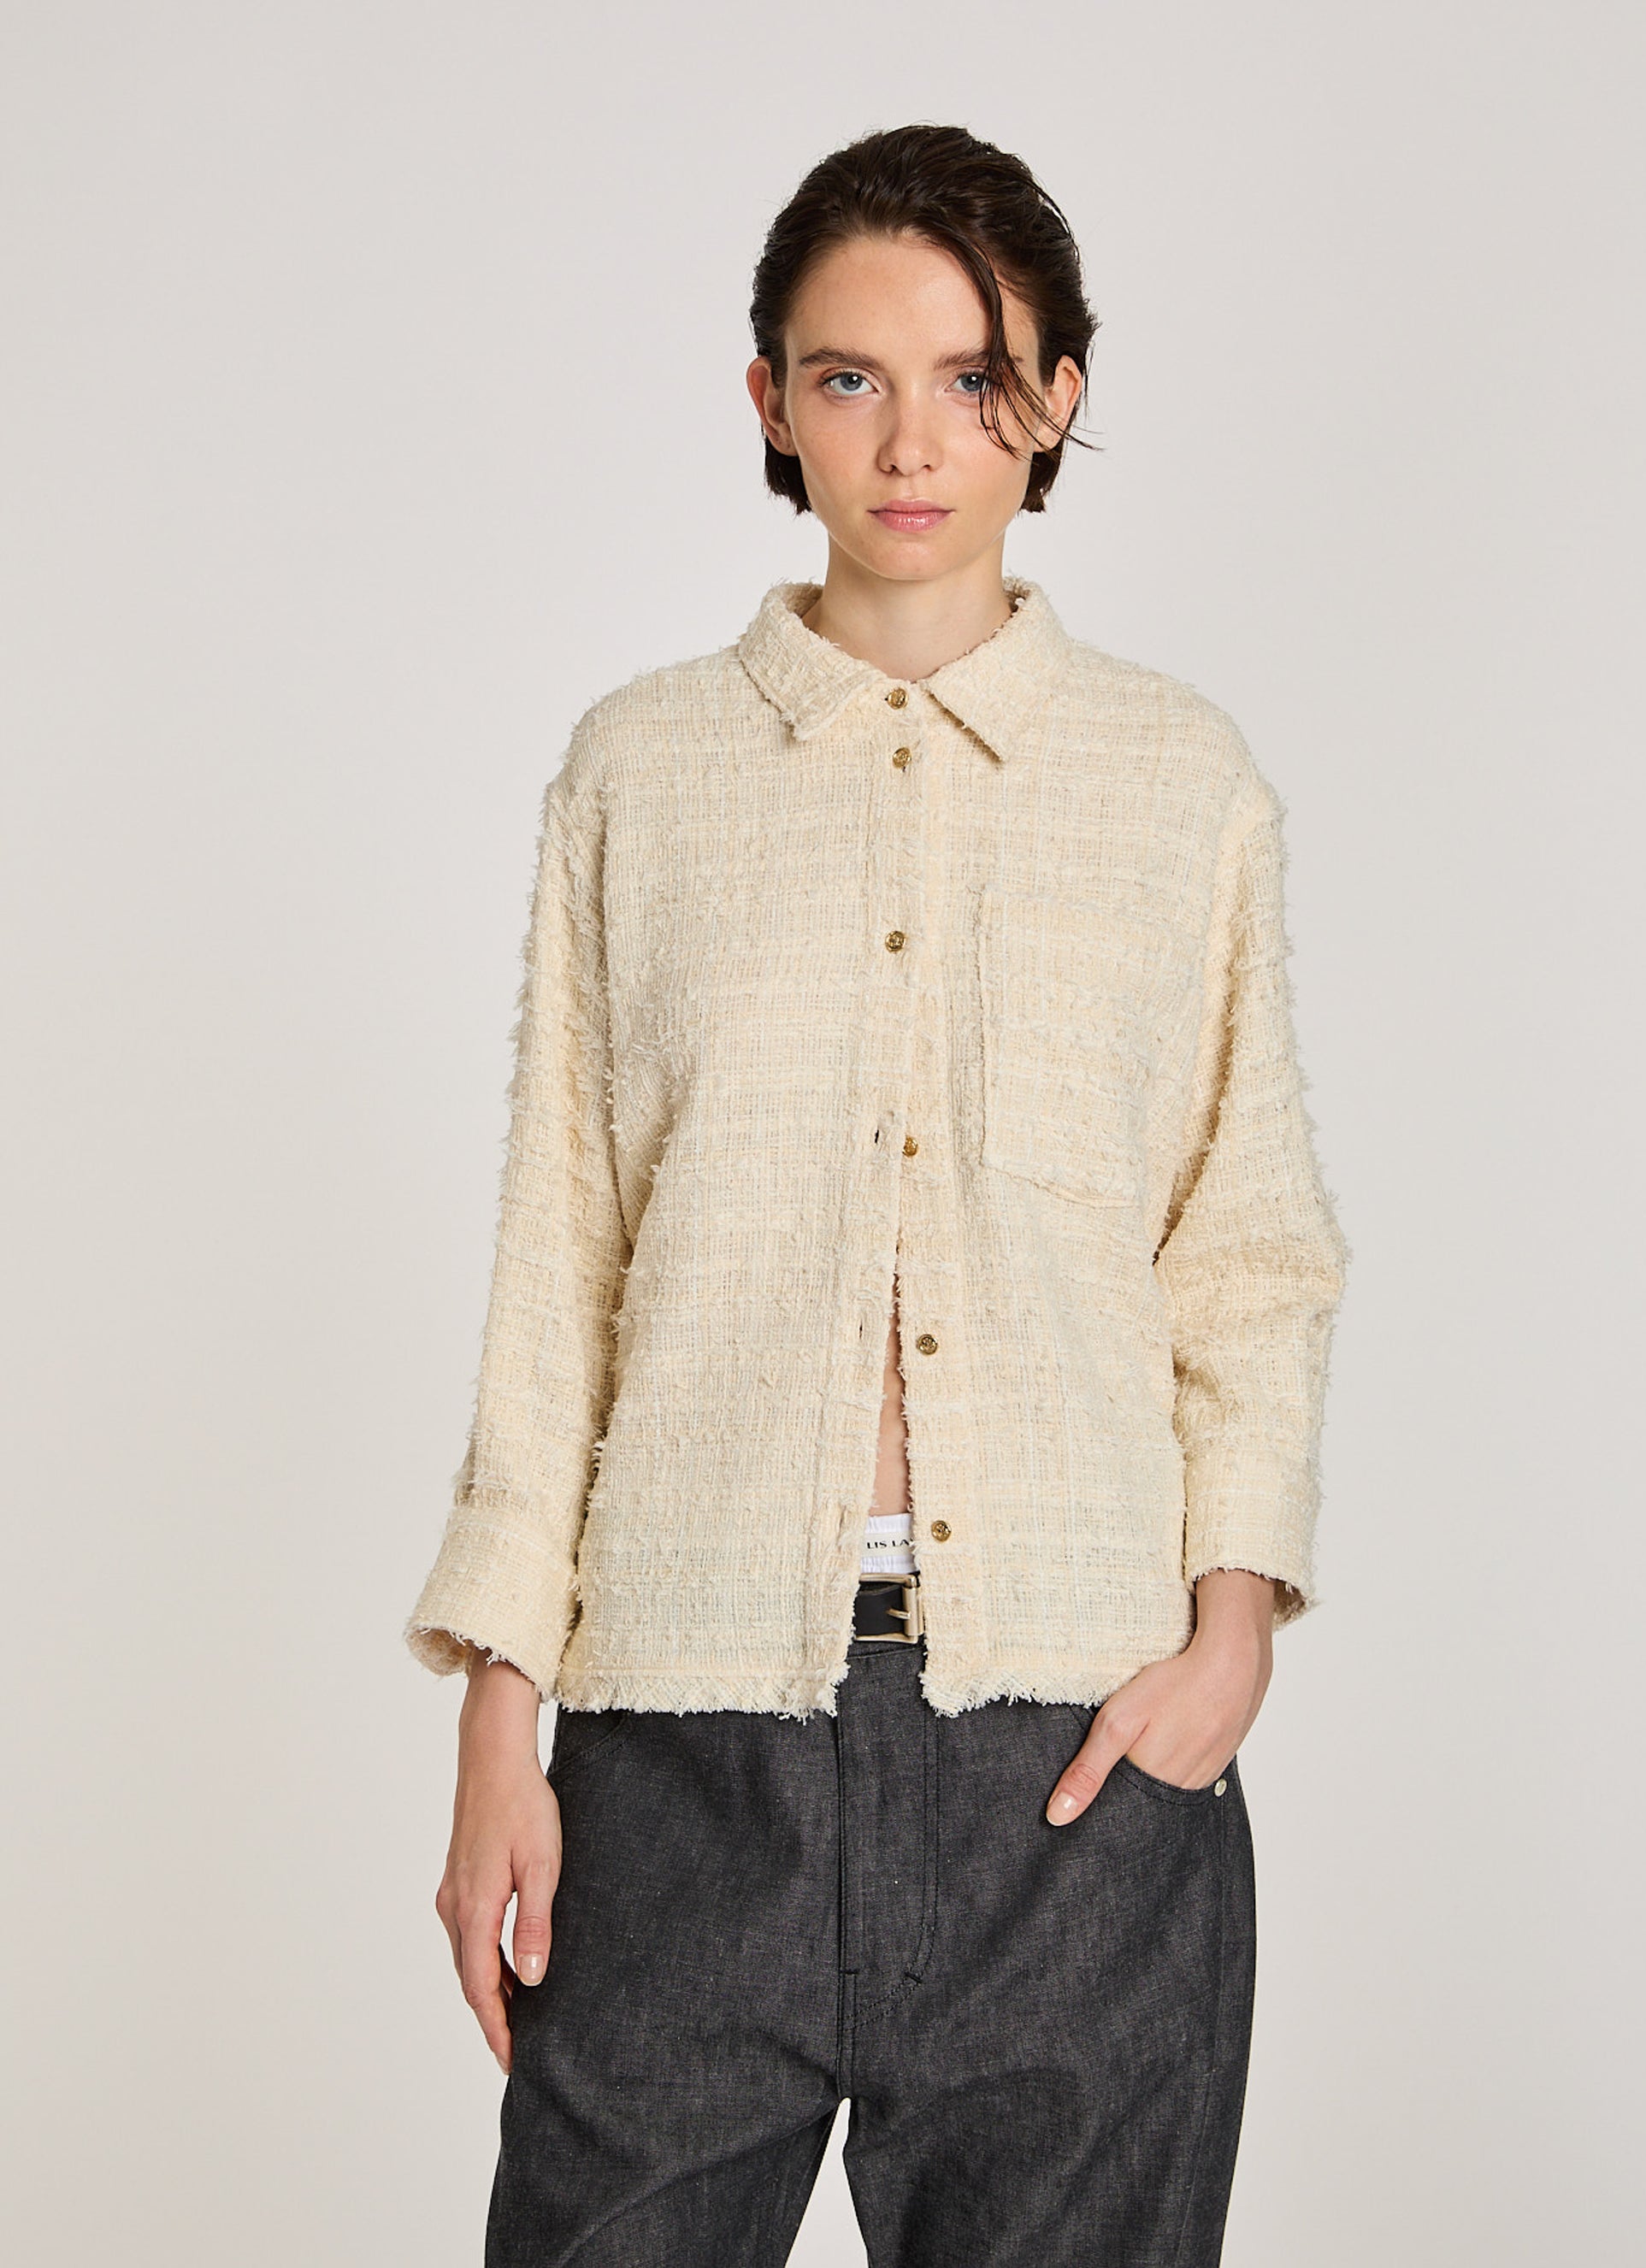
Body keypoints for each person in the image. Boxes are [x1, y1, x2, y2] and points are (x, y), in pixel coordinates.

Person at [404, 121, 1349, 2268]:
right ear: (769, 401)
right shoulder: (641, 771)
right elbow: (561, 1257)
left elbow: (1249, 1248)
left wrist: (1228, 1633)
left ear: (1059, 397)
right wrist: (497, 1719)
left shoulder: (1178, 782)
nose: (912, 441)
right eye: (848, 378)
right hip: (679, 1746)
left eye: (973, 378)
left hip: (1078, 1768)